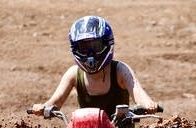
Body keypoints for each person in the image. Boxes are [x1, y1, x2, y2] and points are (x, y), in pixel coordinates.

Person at [31, 15, 159, 120]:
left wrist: (147, 104)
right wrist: (44, 107)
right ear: (75, 49)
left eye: (95, 46)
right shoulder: (74, 74)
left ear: (107, 44)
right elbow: (56, 101)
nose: (90, 54)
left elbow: (137, 90)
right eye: (83, 47)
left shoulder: (120, 70)